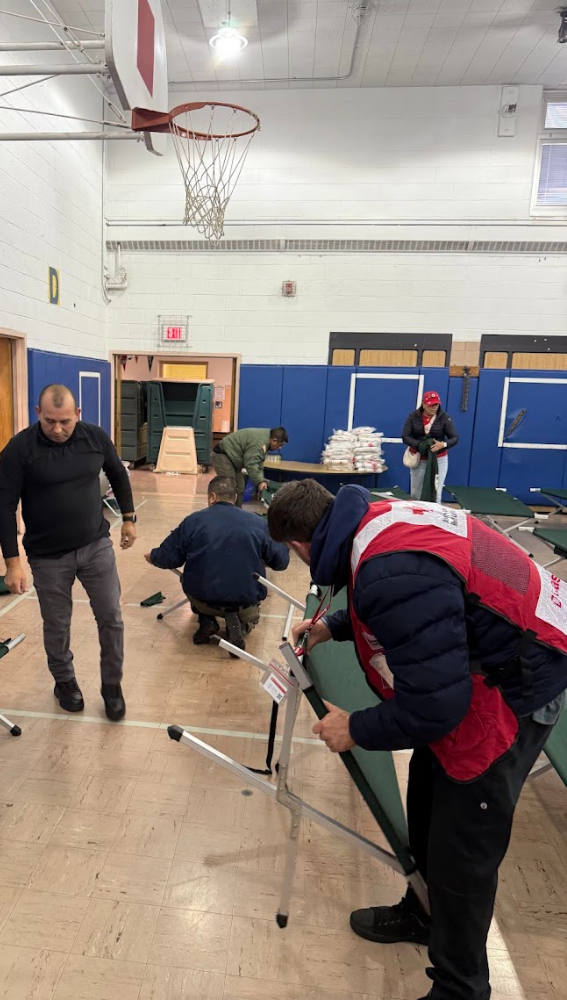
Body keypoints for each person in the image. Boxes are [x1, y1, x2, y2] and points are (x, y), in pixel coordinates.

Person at [267, 479, 567, 1000]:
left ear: (299, 545)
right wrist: (332, 626)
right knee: (427, 796)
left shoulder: (389, 568)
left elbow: (436, 707)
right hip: (500, 653)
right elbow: (427, 603)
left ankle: (460, 987)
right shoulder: (375, 521)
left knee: (462, 847)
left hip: (519, 683)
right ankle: (424, 911)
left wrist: (356, 728)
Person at [0, 383, 137, 722]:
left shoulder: (95, 437)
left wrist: (129, 518)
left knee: (111, 617)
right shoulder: (19, 449)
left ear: (78, 415)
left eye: (64, 422)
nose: (57, 429)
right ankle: (65, 681)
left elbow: (118, 473)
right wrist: (12, 563)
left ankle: (112, 685)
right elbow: (4, 507)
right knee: (57, 624)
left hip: (95, 546)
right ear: (37, 414)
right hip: (47, 556)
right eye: (49, 421)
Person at [145, 476, 290, 650]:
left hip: (203, 600)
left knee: (187, 578)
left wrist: (153, 556)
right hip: (245, 603)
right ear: (235, 497)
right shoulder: (258, 524)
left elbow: (168, 557)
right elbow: (281, 562)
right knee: (250, 604)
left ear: (212, 497)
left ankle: (206, 620)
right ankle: (241, 627)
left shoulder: (193, 521)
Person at [402, 391, 458, 503]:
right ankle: (417, 516)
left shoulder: (444, 418)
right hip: (419, 459)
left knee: (436, 492)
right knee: (416, 492)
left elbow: (454, 438)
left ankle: (434, 518)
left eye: (436, 405)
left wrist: (443, 444)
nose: (433, 407)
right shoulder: (413, 416)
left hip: (439, 460)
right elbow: (405, 436)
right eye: (430, 405)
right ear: (423, 404)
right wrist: (419, 445)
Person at [211, 426, 288, 507]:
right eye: (280, 445)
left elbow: (259, 465)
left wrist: (261, 480)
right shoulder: (259, 443)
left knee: (239, 487)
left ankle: (237, 513)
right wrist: (259, 481)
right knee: (229, 487)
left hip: (232, 459)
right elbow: (251, 464)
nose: (280, 448)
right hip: (223, 454)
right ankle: (223, 513)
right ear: (274, 441)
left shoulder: (265, 441)